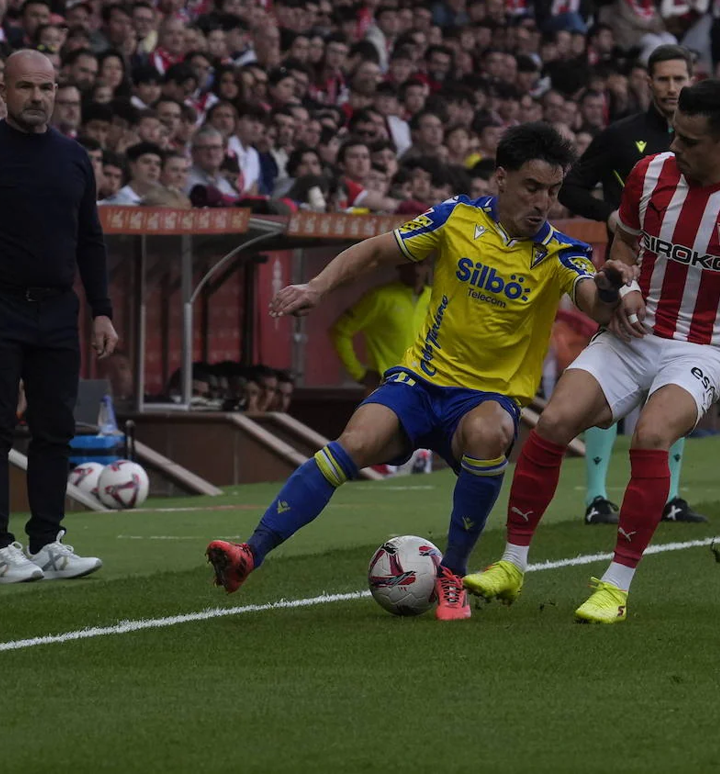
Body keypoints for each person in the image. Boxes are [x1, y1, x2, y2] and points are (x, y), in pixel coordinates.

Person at [205, 122, 637, 621]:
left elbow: (594, 302)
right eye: (533, 187)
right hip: (419, 382)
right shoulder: (455, 219)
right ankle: (249, 555)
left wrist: (608, 286)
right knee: (352, 444)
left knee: (492, 430)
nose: (544, 202)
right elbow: (375, 250)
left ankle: (450, 577)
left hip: (484, 399)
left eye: (554, 191)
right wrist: (317, 287)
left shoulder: (560, 252)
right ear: (501, 178)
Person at [464, 79, 720, 624]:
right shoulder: (650, 174)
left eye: (691, 141)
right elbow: (623, 238)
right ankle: (510, 565)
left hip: (698, 349)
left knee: (650, 435)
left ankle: (615, 587)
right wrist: (622, 277)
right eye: (675, 134)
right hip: (635, 331)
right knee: (552, 422)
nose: (678, 147)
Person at [0, 50, 118, 585]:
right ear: (4, 92)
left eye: (47, 87)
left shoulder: (74, 157)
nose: (38, 98)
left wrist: (102, 310)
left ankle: (47, 542)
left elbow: (90, 240)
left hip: (59, 308)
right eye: (27, 88)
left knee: (54, 428)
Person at [557, 44, 706, 525]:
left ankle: (671, 497)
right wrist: (614, 217)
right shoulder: (622, 137)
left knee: (675, 376)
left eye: (679, 78)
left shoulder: (707, 137)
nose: (671, 88)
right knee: (613, 374)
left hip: (685, 277)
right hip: (627, 272)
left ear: (692, 78)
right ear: (648, 82)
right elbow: (570, 187)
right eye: (662, 79)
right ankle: (596, 498)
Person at [328, 261, 431, 391]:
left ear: (429, 266)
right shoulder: (380, 297)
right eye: (410, 264)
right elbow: (340, 331)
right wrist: (359, 373)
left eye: (421, 264)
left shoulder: (435, 298)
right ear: (399, 265)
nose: (416, 271)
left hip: (424, 385)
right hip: (386, 385)